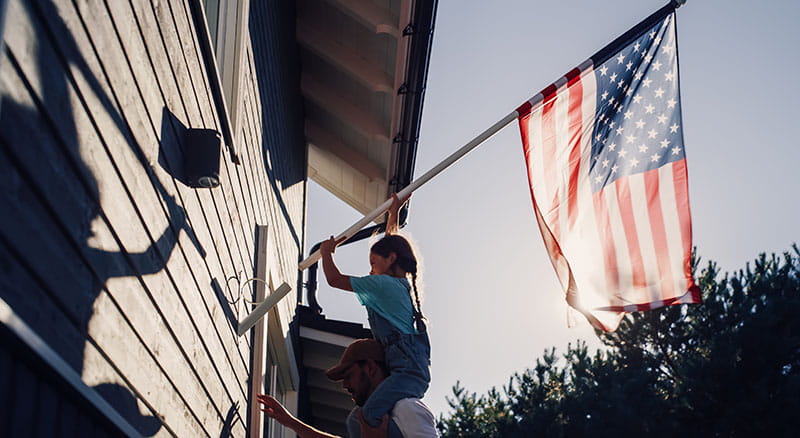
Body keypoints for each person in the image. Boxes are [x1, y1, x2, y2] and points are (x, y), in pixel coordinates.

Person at [319, 193, 432, 432]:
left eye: (373, 263)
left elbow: (334, 279)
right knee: (367, 418)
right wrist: (393, 215)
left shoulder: (382, 286)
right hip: (411, 373)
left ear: (390, 259)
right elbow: (392, 246)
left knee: (364, 418)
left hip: (406, 374)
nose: (370, 271)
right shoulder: (399, 285)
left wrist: (325, 252)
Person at [258, 338, 438, 437]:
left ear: (369, 368)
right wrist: (290, 422)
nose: (344, 385)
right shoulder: (366, 419)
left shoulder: (407, 408)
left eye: (349, 375)